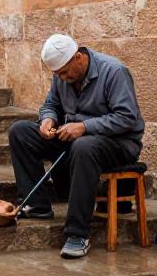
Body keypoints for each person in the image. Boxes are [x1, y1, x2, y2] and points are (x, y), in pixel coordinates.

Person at [8, 34, 145, 258]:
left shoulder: (114, 71)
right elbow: (51, 103)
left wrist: (84, 126)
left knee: (84, 145)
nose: (62, 78)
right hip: (77, 139)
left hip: (119, 144)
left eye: (64, 72)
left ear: (78, 57)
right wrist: (48, 119)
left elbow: (127, 118)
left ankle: (77, 233)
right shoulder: (62, 76)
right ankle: (37, 205)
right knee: (20, 132)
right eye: (57, 74)